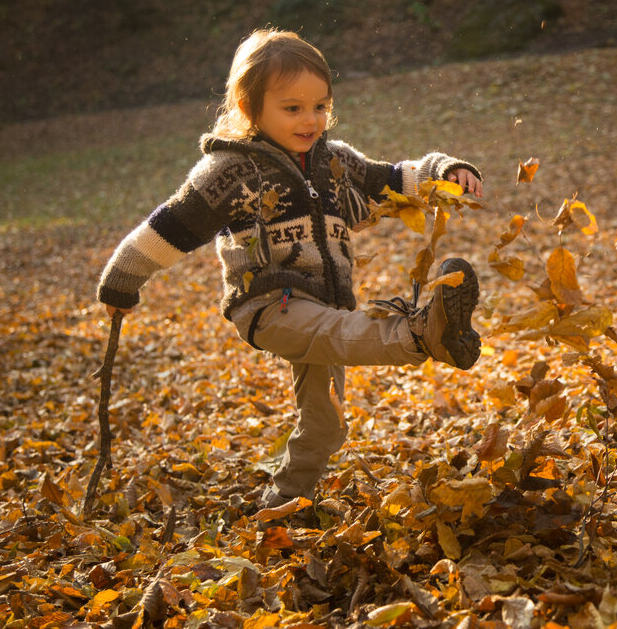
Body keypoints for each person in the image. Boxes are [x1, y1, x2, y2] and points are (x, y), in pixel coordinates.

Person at [96, 29, 485, 507]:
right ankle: (423, 333)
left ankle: (281, 503)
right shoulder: (231, 172)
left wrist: (444, 171)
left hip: (327, 306)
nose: (311, 119)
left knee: (328, 423)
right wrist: (121, 282)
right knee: (341, 333)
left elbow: (392, 179)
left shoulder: (335, 161)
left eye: (320, 105)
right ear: (249, 106)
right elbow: (167, 230)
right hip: (268, 303)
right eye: (292, 107)